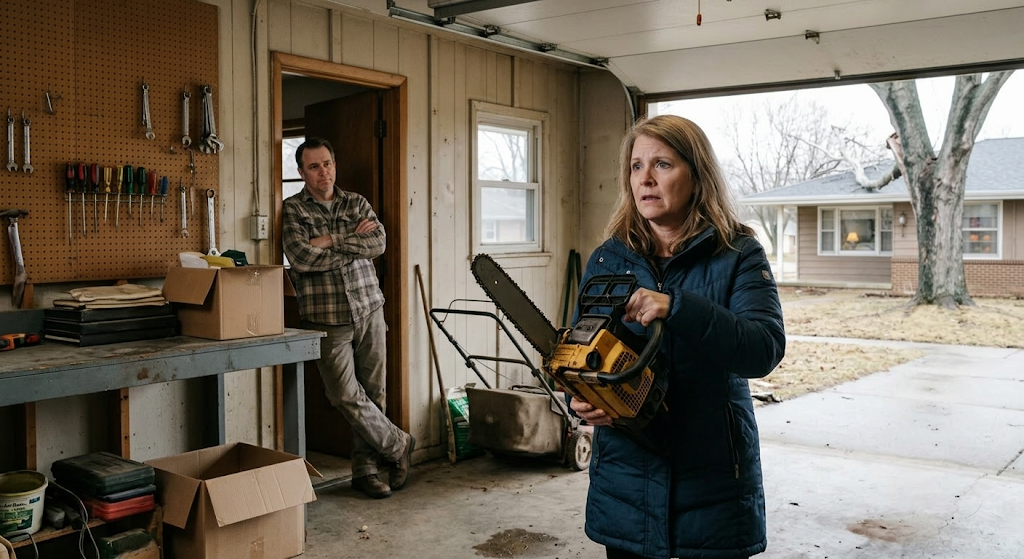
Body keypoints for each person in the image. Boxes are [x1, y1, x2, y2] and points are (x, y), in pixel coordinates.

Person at [568, 115, 786, 559]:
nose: (645, 179)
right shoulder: (609, 258)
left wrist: (677, 306)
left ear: (696, 174)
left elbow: (762, 349)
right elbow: (581, 350)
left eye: (662, 164)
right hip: (626, 478)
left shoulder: (738, 252)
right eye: (635, 166)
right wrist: (583, 397)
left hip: (712, 478)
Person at [282, 137, 415, 500]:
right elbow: (302, 259)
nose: (322, 172)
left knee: (373, 394)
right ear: (301, 172)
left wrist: (329, 240)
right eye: (313, 166)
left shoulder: (356, 202)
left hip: (369, 308)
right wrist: (348, 246)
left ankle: (366, 472)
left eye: (327, 163)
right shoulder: (293, 210)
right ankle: (398, 443)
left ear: (334, 165)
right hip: (326, 318)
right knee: (343, 394)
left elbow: (378, 244)